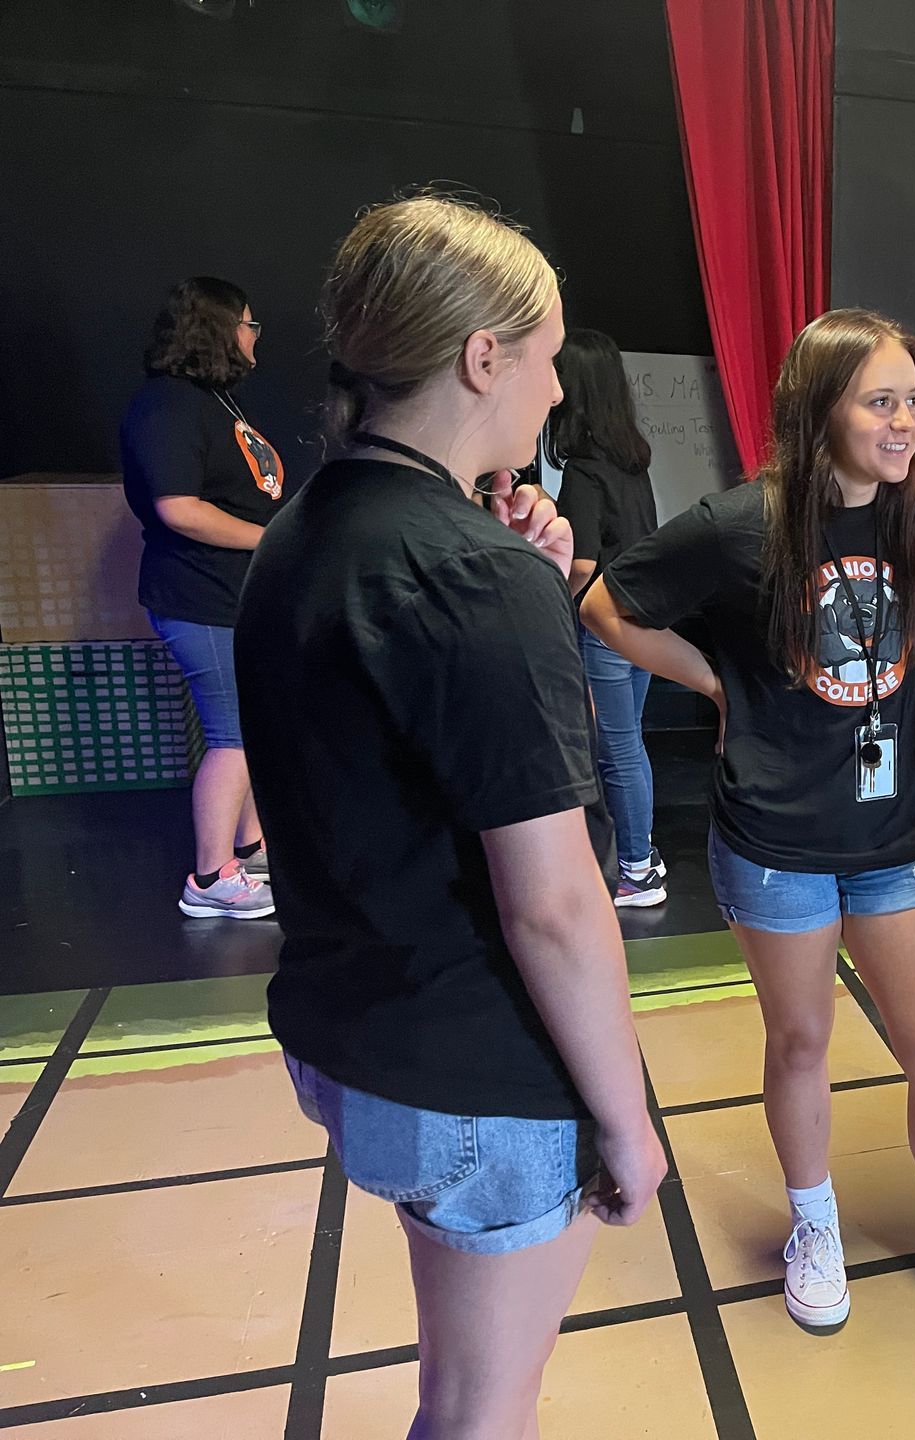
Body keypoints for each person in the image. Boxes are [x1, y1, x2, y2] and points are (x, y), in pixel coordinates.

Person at [234, 195, 666, 1439]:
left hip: (352, 1029)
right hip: (477, 1071)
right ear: (484, 356)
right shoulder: (473, 574)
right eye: (548, 357)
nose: (557, 391)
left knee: (457, 1391)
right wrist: (629, 1122)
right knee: (482, 1413)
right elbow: (555, 905)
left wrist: (519, 568)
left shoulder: (306, 529)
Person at [580, 308, 915, 1331]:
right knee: (801, 1043)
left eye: (912, 401)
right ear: (820, 409)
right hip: (774, 841)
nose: (905, 422)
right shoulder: (737, 525)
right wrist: (715, 682)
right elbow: (606, 606)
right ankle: (815, 1224)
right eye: (881, 402)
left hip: (893, 838)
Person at [120, 276, 284, 919]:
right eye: (248, 323)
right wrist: (272, 541)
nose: (254, 336)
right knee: (231, 735)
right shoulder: (168, 405)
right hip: (199, 597)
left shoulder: (213, 401)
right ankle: (211, 878)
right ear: (219, 328)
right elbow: (179, 508)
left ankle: (250, 849)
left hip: (232, 597)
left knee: (250, 730)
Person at [549, 328, 666, 907]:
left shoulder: (584, 470)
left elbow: (583, 564)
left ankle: (637, 869)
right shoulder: (631, 463)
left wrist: (553, 604)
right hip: (640, 622)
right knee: (628, 744)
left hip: (605, 629)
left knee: (616, 749)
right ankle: (642, 856)